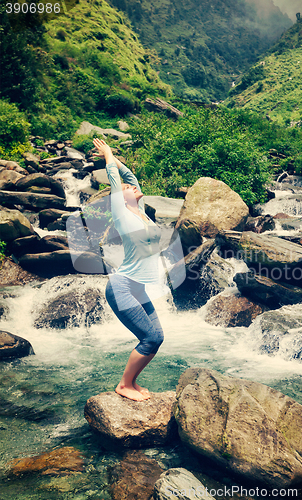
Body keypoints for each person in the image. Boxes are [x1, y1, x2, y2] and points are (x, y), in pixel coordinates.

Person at [92, 138, 164, 402]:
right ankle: (124, 385)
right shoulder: (122, 213)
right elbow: (115, 178)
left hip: (137, 288)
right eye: (126, 188)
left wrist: (120, 165)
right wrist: (108, 155)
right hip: (122, 286)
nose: (132, 187)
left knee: (157, 338)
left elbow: (128, 175)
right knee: (149, 337)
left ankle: (132, 383)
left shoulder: (141, 212)